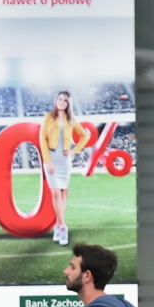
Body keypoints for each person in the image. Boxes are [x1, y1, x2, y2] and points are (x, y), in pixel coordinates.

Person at [40, 91, 91, 247]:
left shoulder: (71, 120)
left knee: (62, 194)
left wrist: (74, 151)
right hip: (52, 159)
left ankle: (57, 226)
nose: (61, 102)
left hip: (64, 160)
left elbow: (85, 136)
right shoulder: (48, 117)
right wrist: (47, 161)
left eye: (65, 100)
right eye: (60, 99)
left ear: (69, 104)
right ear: (56, 100)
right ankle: (63, 227)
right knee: (55, 193)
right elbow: (42, 138)